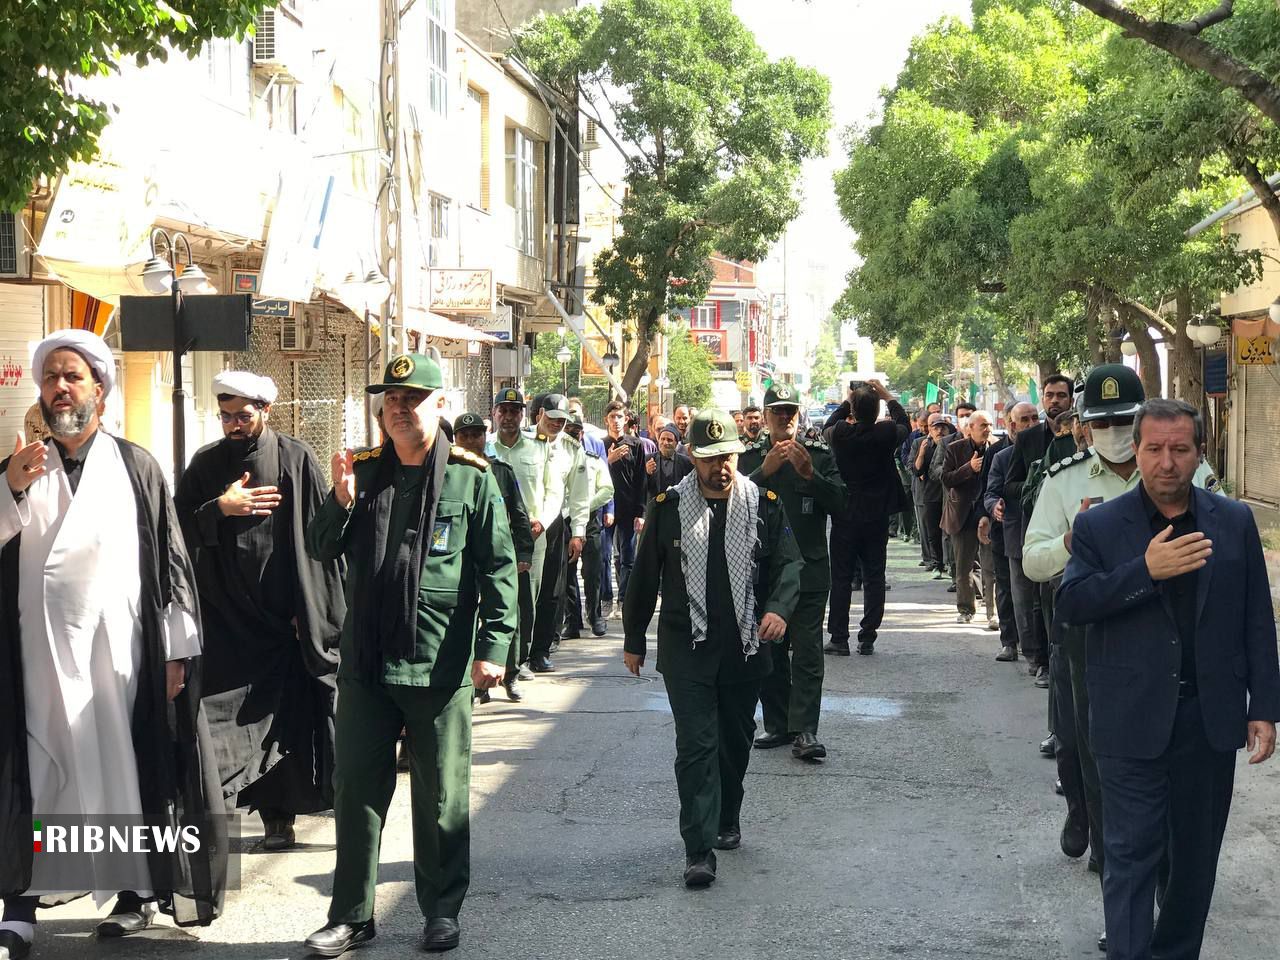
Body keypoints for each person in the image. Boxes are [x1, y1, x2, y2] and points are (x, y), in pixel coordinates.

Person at [0, 331, 225, 959]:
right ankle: (20, 904)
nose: (60, 388)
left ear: (99, 390)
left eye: (72, 376)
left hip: (119, 656)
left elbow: (171, 561)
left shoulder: (135, 466)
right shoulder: (23, 466)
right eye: (50, 378)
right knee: (39, 773)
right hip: (38, 656)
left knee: (124, 769)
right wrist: (10, 487)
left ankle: (132, 895)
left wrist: (176, 650)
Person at [302, 353, 517, 956]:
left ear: (439, 405)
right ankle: (352, 915)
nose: (400, 408)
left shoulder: (471, 478)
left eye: (413, 398)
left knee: (442, 797)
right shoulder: (364, 472)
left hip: (438, 663)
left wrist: (493, 648)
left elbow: (499, 569)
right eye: (391, 399)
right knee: (356, 792)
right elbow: (320, 547)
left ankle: (441, 911)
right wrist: (340, 499)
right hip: (367, 663)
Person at [1056, 398, 1280, 960]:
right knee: (1131, 857)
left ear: (1200, 453)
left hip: (1207, 721)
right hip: (1129, 720)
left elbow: (1256, 617)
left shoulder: (1233, 521)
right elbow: (1072, 603)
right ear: (1136, 451)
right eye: (1154, 448)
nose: (1166, 462)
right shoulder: (1099, 525)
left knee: (1193, 867)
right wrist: (1145, 572)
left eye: (1180, 449)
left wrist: (1264, 707)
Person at [1024, 366, 1221, 951]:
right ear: (1085, 427)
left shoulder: (1187, 470)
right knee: (1101, 769)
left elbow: (1226, 541)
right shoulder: (1064, 481)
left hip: (1178, 642)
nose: (1112, 433)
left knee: (1178, 781)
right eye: (1102, 423)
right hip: (1096, 643)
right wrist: (1076, 540)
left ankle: (1164, 896)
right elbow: (1034, 560)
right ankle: (1120, 887)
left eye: (1121, 421)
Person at [623, 409, 802, 887]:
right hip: (688, 647)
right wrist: (634, 637)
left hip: (746, 646)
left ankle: (726, 816)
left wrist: (778, 609)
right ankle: (698, 850)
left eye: (727, 457)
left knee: (734, 742)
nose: (720, 467)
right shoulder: (668, 507)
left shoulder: (763, 504)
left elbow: (790, 565)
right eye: (709, 458)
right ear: (691, 457)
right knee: (696, 746)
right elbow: (644, 575)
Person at [175, 370, 344, 853]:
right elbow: (176, 530)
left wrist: (311, 611)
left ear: (265, 412)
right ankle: (212, 822)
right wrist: (219, 509)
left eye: (243, 416)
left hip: (284, 619)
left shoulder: (295, 458)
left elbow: (318, 539)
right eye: (226, 416)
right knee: (218, 722)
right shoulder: (206, 464)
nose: (233, 424)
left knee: (283, 718)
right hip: (226, 619)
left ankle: (279, 820)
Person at [741, 383, 845, 759]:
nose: (784, 417)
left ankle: (805, 730)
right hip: (764, 573)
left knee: (807, 652)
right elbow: (728, 501)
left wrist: (810, 475)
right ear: (765, 416)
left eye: (791, 411)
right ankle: (779, 723)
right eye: (777, 411)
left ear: (799, 415)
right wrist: (762, 473)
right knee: (768, 651)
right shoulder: (748, 458)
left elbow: (842, 505)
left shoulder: (817, 454)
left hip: (808, 571)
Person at [491, 391, 588, 675]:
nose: (557, 424)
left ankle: (537, 651)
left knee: (548, 592)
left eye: (562, 420)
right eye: (553, 418)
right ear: (539, 416)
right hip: (505, 527)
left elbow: (576, 494)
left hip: (548, 523)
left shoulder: (571, 448)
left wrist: (577, 531)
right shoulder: (521, 441)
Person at [822, 380, 908, 657]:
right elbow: (904, 423)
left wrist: (848, 401)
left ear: (853, 410)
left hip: (846, 513)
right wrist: (887, 395)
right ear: (877, 410)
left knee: (841, 578)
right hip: (876, 515)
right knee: (874, 576)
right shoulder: (886, 433)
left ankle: (838, 637)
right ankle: (868, 636)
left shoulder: (840, 433)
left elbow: (827, 425)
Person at [454, 412, 535, 700]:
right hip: (463, 559)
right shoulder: (448, 473)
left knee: (505, 613)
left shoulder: (500, 471)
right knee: (468, 617)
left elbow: (519, 513)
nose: (470, 440)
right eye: (464, 435)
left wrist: (524, 551)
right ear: (455, 439)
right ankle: (476, 682)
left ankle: (510, 674)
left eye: (476, 434)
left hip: (497, 555)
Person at [983, 402, 1040, 675]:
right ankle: (1027, 653)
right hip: (1014, 536)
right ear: (1012, 425)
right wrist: (994, 507)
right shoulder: (1001, 457)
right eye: (1024, 419)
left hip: (1048, 534)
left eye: (1034, 418)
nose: (1031, 424)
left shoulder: (1050, 449)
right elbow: (990, 492)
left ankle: (1045, 654)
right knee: (1019, 597)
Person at [562, 413, 615, 641]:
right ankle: (572, 621)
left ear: (582, 434)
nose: (572, 435)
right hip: (564, 521)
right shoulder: (555, 460)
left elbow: (607, 489)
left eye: (575, 431)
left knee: (593, 572)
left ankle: (594, 616)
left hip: (590, 521)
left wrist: (584, 505)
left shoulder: (593, 460)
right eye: (568, 431)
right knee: (567, 574)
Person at [942, 412, 995, 628]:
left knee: (990, 567)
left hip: (988, 514)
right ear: (970, 428)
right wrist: (969, 468)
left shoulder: (997, 448)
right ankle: (966, 609)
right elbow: (946, 479)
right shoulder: (955, 448)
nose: (987, 429)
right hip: (962, 514)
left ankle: (993, 613)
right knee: (964, 567)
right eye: (983, 425)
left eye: (989, 425)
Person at [603, 400, 648, 610]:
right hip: (605, 509)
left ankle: (624, 600)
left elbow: (641, 480)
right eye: (612, 417)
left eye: (620, 417)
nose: (616, 421)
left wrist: (641, 512)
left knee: (627, 557)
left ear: (626, 419)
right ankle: (605, 598)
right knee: (604, 556)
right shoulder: (601, 444)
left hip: (629, 509)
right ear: (606, 420)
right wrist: (608, 461)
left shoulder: (636, 445)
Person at [646, 423, 693, 497]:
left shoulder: (686, 463)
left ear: (676, 443)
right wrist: (647, 473)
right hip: (654, 503)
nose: (665, 443)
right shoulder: (647, 459)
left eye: (669, 440)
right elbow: (638, 485)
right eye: (662, 439)